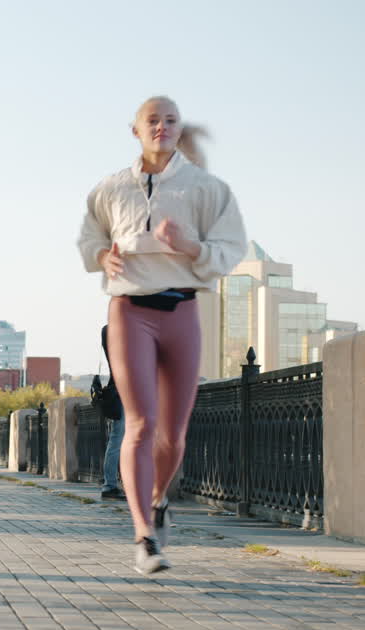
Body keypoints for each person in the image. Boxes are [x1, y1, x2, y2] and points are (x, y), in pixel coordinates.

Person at [77, 96, 247, 574]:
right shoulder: (111, 188)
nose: (162, 127)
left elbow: (232, 248)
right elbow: (90, 238)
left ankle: (157, 501)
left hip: (182, 311)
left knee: (172, 435)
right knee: (140, 424)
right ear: (135, 130)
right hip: (130, 310)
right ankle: (144, 537)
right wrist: (100, 257)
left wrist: (192, 246)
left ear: (178, 129)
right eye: (152, 120)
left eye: (170, 120)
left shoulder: (206, 188)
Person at [99, 325, 125, 500]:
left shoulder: (108, 329)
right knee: (119, 440)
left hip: (118, 390)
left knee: (117, 440)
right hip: (127, 392)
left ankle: (110, 485)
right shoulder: (119, 330)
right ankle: (110, 486)